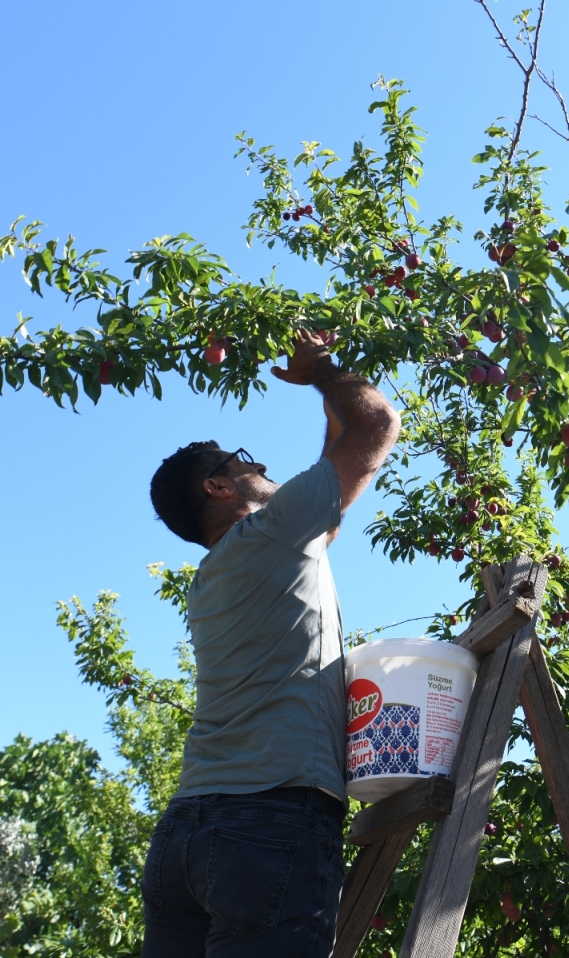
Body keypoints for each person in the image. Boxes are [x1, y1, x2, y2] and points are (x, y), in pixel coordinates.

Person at [141, 330, 400, 957]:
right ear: (219, 488)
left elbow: (328, 508)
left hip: (185, 838)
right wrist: (323, 373)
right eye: (243, 461)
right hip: (269, 823)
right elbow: (379, 425)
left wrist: (326, 405)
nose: (260, 466)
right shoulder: (269, 537)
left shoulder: (217, 577)